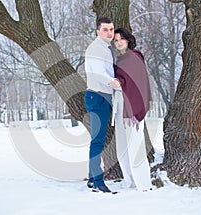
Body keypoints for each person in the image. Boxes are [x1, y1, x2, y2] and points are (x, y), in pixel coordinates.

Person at [109, 27, 153, 192]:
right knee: (122, 146)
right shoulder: (120, 60)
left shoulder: (134, 57)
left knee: (135, 146)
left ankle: (143, 183)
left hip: (132, 107)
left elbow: (138, 82)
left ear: (128, 40)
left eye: (121, 39)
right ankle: (129, 180)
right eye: (116, 40)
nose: (118, 42)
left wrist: (120, 82)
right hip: (120, 105)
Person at [84, 17, 116, 193]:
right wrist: (115, 83)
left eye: (111, 29)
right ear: (98, 31)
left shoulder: (104, 47)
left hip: (102, 96)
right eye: (105, 29)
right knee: (98, 141)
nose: (109, 33)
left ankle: (91, 177)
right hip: (97, 97)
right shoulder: (95, 48)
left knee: (98, 139)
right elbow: (98, 74)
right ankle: (97, 181)